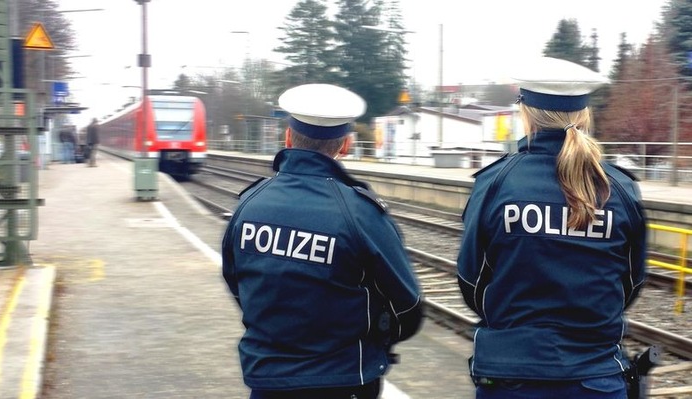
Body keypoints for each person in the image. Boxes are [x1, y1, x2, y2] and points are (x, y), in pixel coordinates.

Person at [456, 57, 647, 399]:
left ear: (526, 113)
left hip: (511, 377)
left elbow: (472, 281)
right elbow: (631, 282)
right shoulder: (619, 189)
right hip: (596, 378)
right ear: (584, 115)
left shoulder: (495, 184)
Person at [222, 83, 423, 399]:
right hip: (344, 380)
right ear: (344, 145)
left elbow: (237, 282)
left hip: (267, 380)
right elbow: (408, 305)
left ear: (288, 138)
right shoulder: (360, 213)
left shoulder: (249, 205)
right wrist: (376, 339)